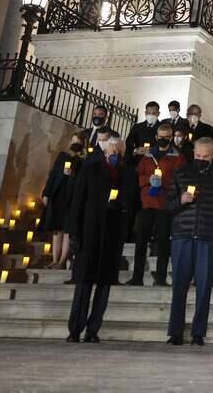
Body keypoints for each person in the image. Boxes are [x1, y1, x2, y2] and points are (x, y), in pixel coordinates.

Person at [166, 137, 213, 345]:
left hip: (209, 236)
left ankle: (198, 333)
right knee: (179, 286)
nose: (200, 159)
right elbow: (168, 205)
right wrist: (180, 200)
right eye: (197, 155)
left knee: (204, 286)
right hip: (182, 235)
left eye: (205, 156)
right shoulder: (181, 172)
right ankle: (175, 332)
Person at [66, 135, 138, 343]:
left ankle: (93, 329)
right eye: (113, 152)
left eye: (119, 152)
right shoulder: (90, 170)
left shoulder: (128, 174)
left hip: (112, 235)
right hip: (89, 232)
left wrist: (121, 205)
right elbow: (78, 201)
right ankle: (75, 328)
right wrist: (74, 233)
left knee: (104, 285)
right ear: (105, 152)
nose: (116, 155)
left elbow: (133, 203)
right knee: (84, 282)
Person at [128, 123, 186, 286]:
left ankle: (160, 278)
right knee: (141, 241)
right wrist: (149, 179)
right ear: (156, 137)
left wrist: (164, 182)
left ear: (171, 137)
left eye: (166, 137)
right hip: (147, 202)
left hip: (165, 203)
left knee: (163, 242)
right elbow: (139, 175)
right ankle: (137, 277)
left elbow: (181, 180)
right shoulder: (148, 155)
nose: (163, 139)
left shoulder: (178, 157)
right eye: (160, 137)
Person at [41, 132, 86, 269]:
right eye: (73, 141)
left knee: (67, 229)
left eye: (77, 141)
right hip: (59, 194)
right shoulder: (63, 156)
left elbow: (83, 180)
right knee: (57, 229)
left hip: (72, 196)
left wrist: (73, 174)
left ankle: (62, 260)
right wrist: (46, 193)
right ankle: (54, 260)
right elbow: (53, 174)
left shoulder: (84, 160)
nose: (74, 143)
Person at [125, 101, 161, 166]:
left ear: (158, 114)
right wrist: (135, 150)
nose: (151, 115)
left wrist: (153, 150)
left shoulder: (162, 128)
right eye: (149, 113)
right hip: (137, 162)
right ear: (145, 113)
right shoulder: (137, 127)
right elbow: (128, 144)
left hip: (155, 163)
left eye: (154, 113)